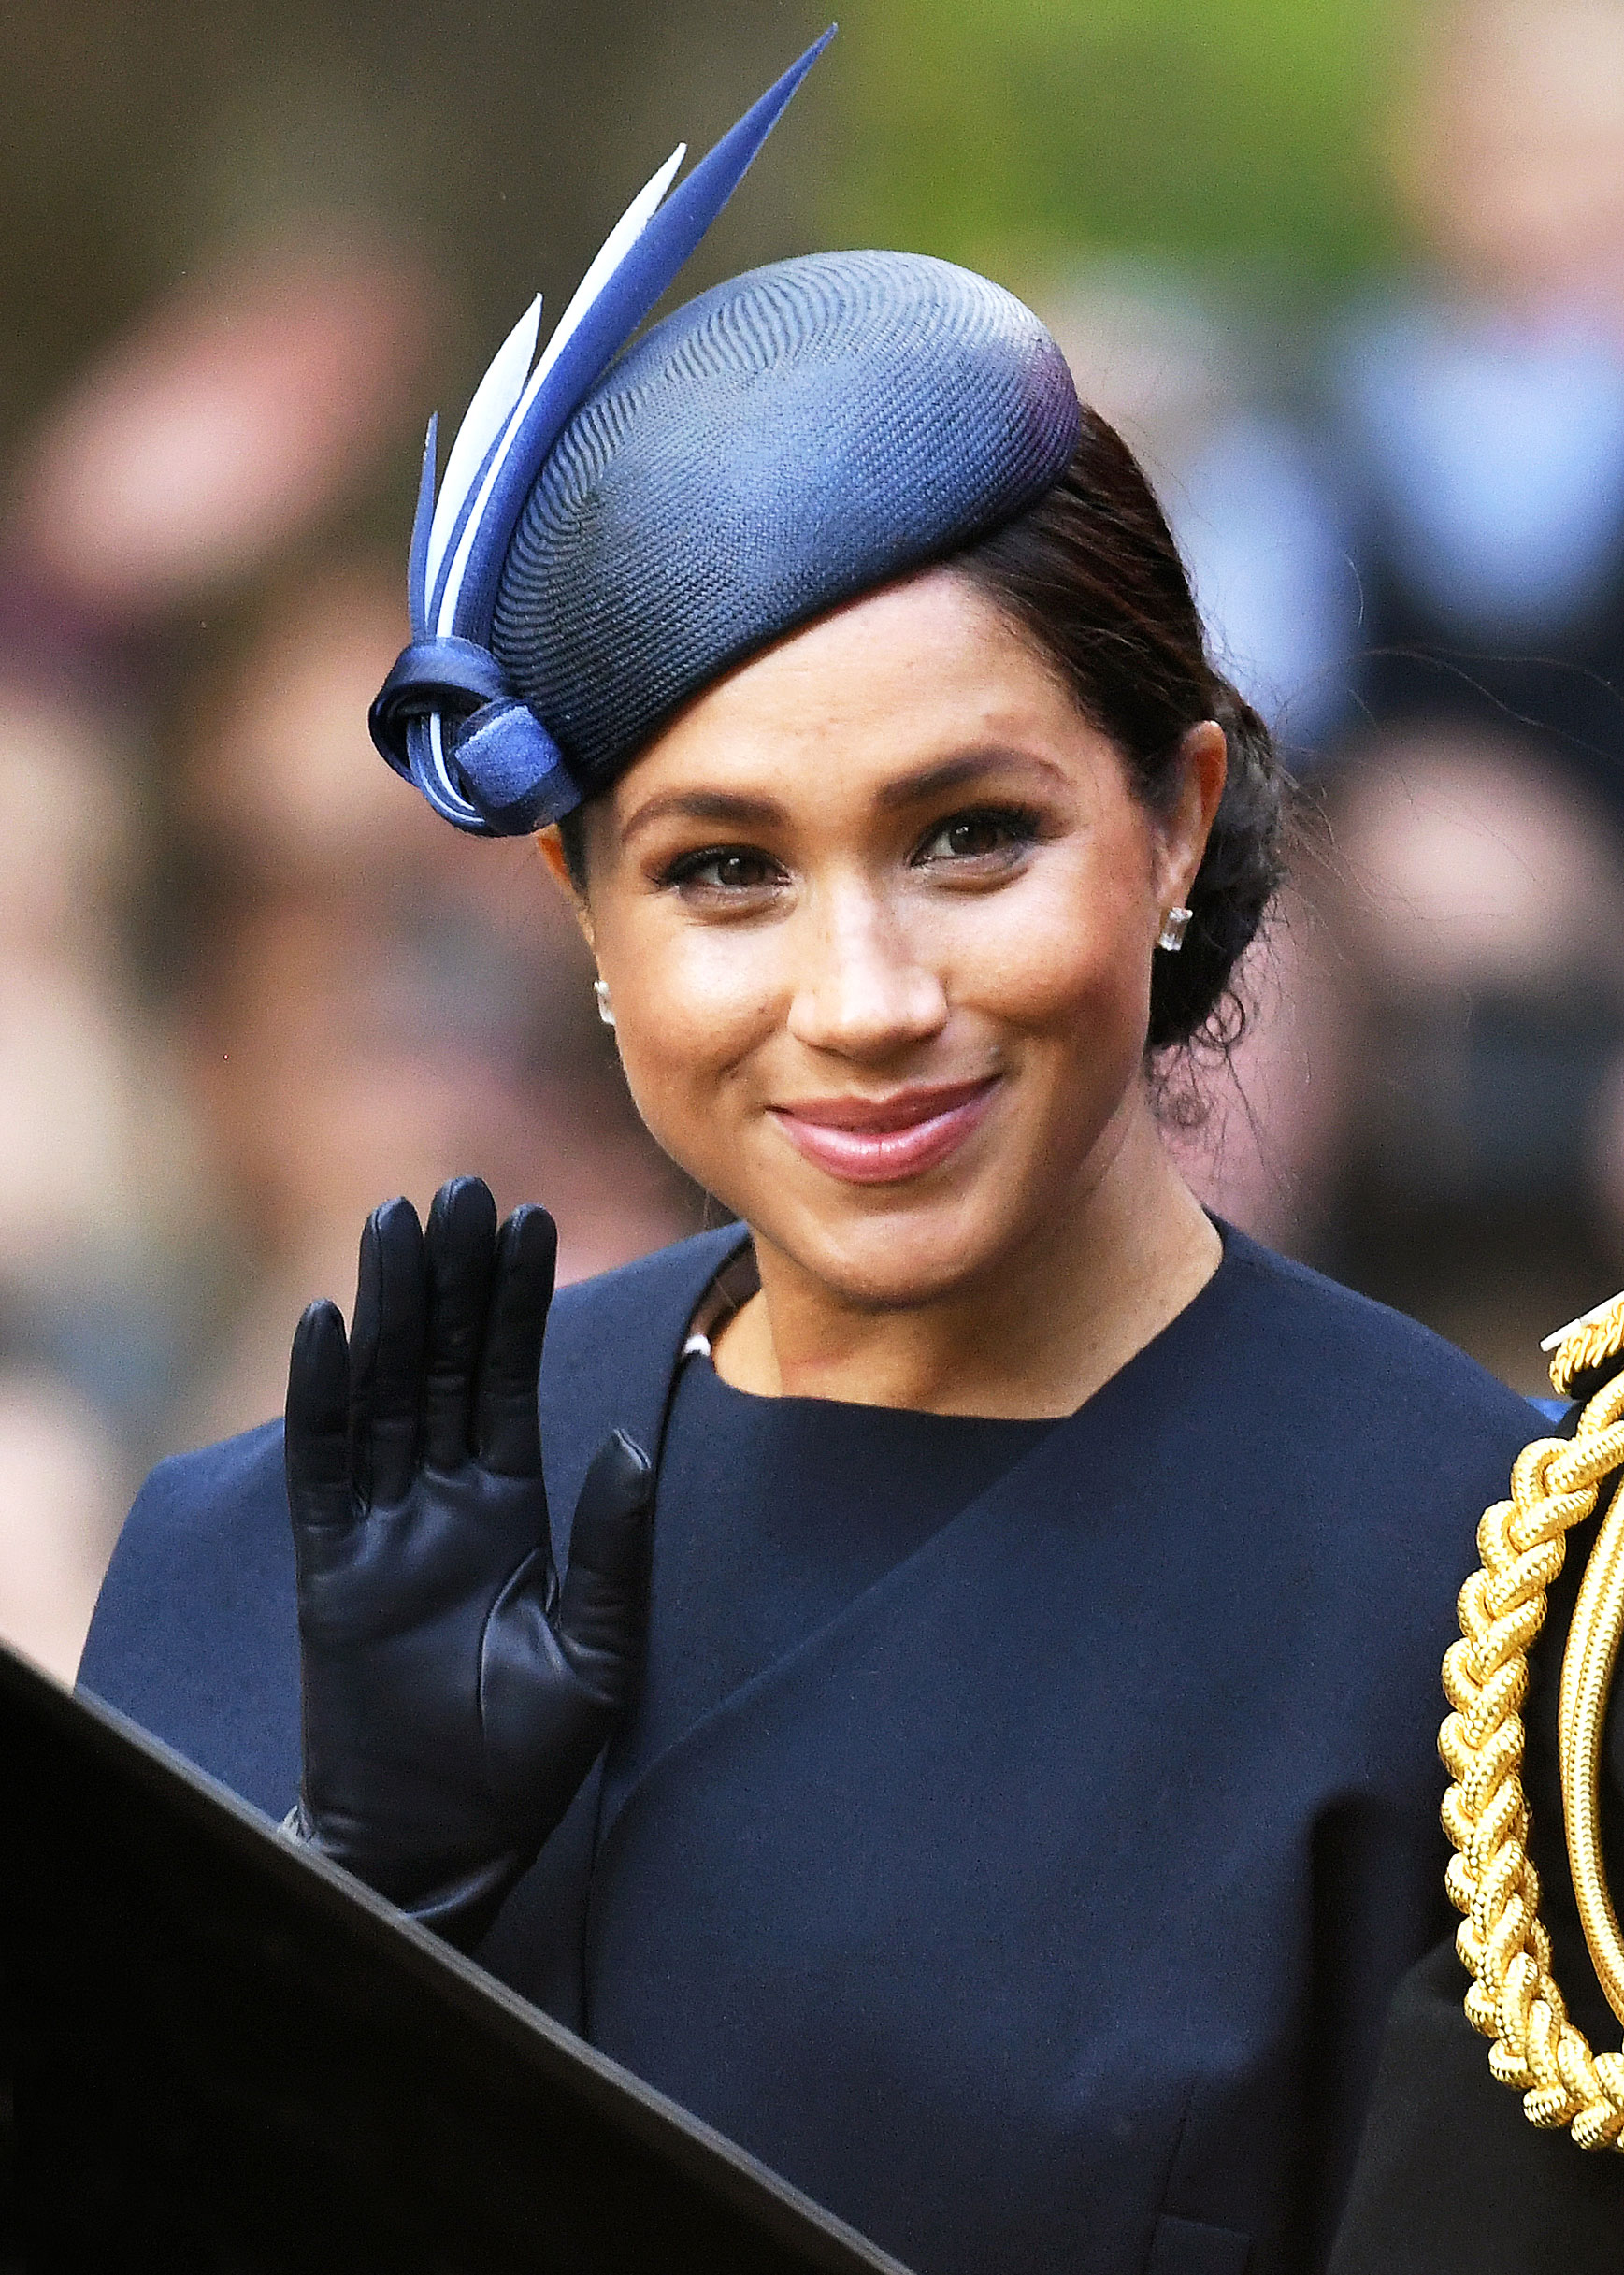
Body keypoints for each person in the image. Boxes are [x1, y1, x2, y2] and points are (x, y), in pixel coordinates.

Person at [79, 36, 1550, 2275]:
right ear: (580, 916)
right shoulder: (262, 1564)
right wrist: (339, 1933)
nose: (860, 994)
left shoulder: (1492, 1628)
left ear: (1168, 816)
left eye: (970, 836)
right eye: (722, 870)